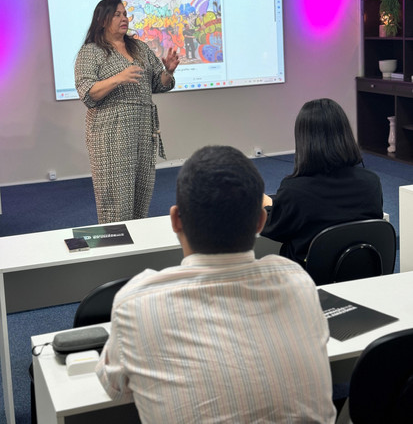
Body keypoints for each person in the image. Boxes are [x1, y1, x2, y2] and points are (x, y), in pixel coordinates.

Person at [96, 145, 337, 423]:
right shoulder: (298, 283)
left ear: (175, 220)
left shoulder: (135, 304)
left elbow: (114, 389)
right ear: (261, 221)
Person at [75, 0, 179, 223]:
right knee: (116, 201)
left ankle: (136, 242)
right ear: (102, 20)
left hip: (143, 129)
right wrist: (118, 78)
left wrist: (168, 71)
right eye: (117, 15)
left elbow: (158, 84)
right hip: (111, 132)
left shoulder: (139, 48)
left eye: (125, 14)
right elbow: (87, 93)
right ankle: (114, 243)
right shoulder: (91, 52)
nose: (124, 19)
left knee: (141, 196)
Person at [261, 98, 383, 267]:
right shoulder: (371, 182)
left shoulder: (295, 190)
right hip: (363, 272)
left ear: (303, 140)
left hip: (307, 278)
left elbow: (273, 228)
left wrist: (264, 203)